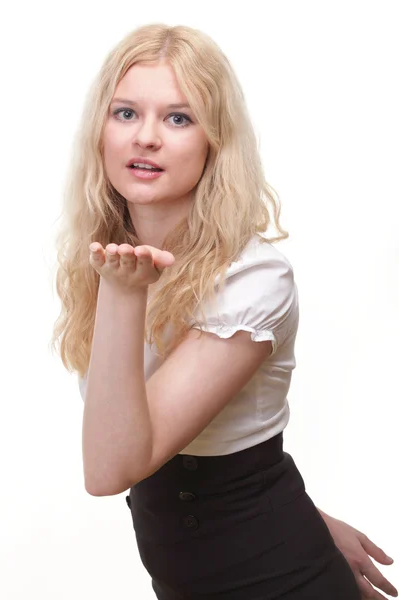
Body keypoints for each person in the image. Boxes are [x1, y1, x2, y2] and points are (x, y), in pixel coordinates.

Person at [51, 23, 397, 600]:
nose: (147, 138)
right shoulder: (111, 260)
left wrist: (122, 294)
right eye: (126, 113)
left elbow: (111, 469)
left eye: (179, 118)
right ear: (100, 131)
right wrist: (309, 518)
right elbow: (221, 445)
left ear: (215, 140)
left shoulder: (251, 279)